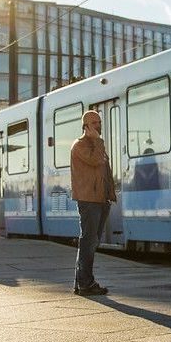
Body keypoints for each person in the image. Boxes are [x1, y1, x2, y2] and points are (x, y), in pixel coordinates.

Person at [70, 109, 115, 296]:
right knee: (88, 241)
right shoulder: (80, 145)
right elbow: (96, 161)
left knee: (90, 241)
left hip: (100, 199)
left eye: (99, 122)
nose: (99, 125)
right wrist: (98, 140)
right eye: (95, 123)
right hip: (89, 200)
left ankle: (81, 283)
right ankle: (86, 284)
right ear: (86, 126)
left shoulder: (97, 145)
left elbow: (105, 171)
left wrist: (110, 194)